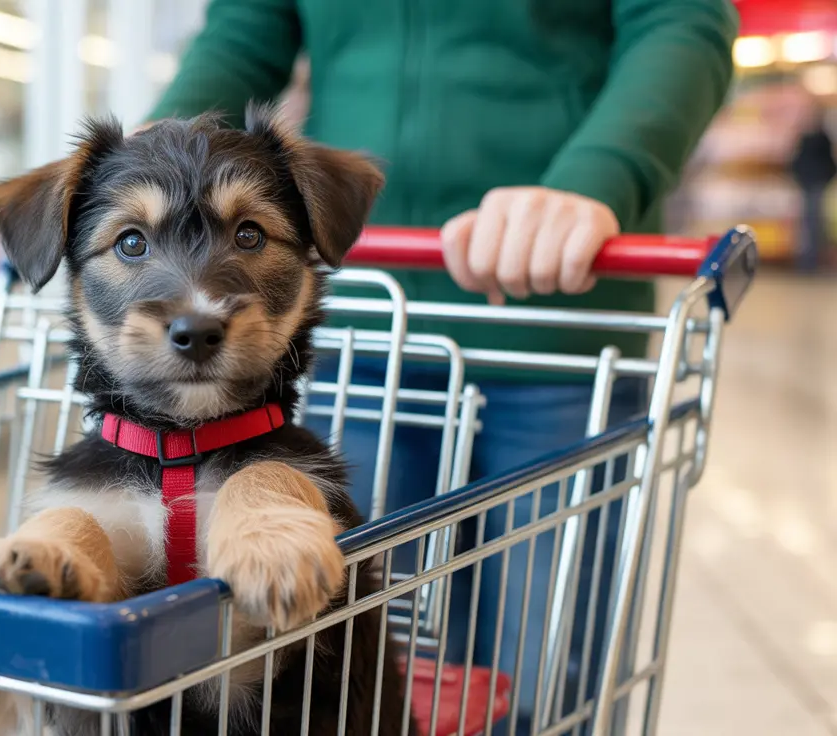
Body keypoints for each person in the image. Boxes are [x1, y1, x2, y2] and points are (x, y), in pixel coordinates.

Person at [145, 1, 737, 731]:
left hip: (559, 314)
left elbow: (679, 20)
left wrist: (594, 179)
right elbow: (249, 25)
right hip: (364, 324)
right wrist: (154, 154)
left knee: (544, 680)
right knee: (348, 659)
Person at [790, 109, 835, 272]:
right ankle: (811, 259)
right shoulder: (819, 138)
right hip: (814, 182)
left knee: (811, 221)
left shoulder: (813, 138)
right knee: (812, 221)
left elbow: (795, 161)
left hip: (812, 182)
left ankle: (811, 259)